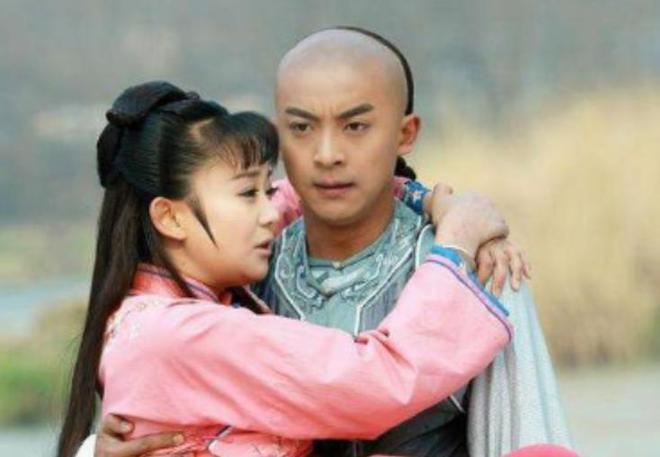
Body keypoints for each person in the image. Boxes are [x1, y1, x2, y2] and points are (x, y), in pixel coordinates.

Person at [89, 27, 575, 457]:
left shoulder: (483, 267)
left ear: (405, 134)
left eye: (355, 126)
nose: (326, 155)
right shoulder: (228, 290)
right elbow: (377, 382)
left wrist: (428, 202)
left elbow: (524, 433)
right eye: (301, 129)